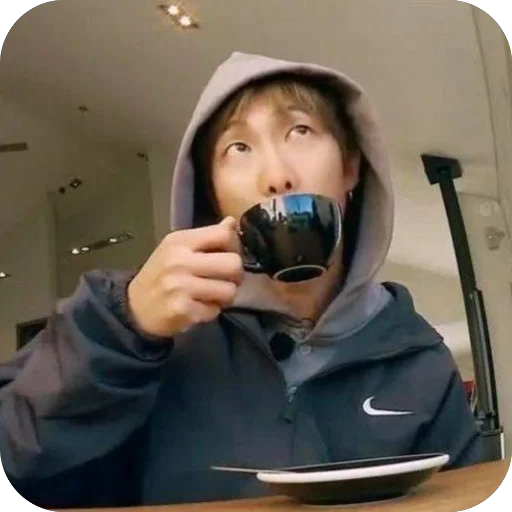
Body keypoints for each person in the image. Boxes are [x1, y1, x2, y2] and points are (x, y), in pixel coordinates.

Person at [0, 51, 482, 508]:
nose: (276, 176)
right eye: (239, 147)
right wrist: (124, 330)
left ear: (350, 167)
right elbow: (19, 459)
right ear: (212, 194)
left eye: (299, 130)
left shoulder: (418, 359)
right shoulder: (134, 323)